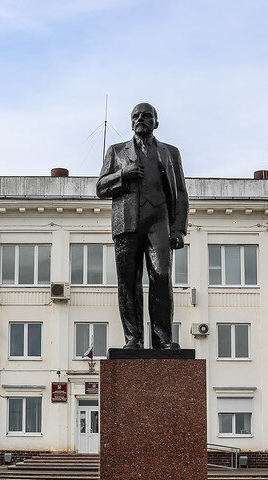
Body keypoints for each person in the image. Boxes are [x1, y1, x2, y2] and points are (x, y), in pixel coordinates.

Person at [97, 102, 189, 349]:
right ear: (131, 122)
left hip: (159, 221)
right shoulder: (116, 152)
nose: (141, 119)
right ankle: (133, 338)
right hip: (127, 223)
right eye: (136, 116)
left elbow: (180, 192)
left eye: (146, 116)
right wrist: (122, 175)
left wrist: (179, 228)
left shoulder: (170, 152)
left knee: (161, 276)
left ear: (156, 122)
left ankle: (162, 338)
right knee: (129, 281)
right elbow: (101, 188)